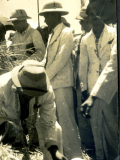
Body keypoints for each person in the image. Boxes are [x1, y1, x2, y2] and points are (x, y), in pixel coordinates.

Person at [0, 60, 66, 160]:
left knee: (57, 129)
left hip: (32, 115)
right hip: (4, 112)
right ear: (17, 87)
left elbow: (49, 124)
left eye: (34, 95)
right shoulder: (1, 86)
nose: (29, 98)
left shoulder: (46, 91)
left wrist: (54, 151)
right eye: (26, 94)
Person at [39, 1, 83, 159]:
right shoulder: (52, 34)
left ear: (55, 15)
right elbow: (47, 59)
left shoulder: (66, 32)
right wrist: (34, 68)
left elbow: (61, 60)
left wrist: (45, 77)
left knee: (66, 121)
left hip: (62, 84)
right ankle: (61, 155)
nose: (44, 20)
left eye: (46, 16)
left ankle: (75, 156)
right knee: (55, 122)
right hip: (53, 84)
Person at [78, 2, 117, 159]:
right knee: (96, 129)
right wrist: (84, 89)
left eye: (97, 13)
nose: (95, 16)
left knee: (111, 128)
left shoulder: (114, 34)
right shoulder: (85, 39)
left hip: (110, 89)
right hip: (92, 89)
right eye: (91, 13)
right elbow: (83, 67)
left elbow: (112, 64)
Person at [72, 6, 95, 158]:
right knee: (81, 116)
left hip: (91, 84)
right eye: (80, 22)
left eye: (83, 22)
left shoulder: (95, 39)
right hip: (79, 83)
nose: (81, 25)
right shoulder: (79, 39)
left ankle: (93, 147)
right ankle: (87, 146)